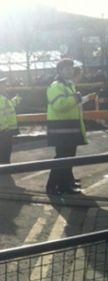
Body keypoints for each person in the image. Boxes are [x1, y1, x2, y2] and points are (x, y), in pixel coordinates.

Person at [46, 58, 96, 195]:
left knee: (68, 156)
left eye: (71, 68)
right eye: (67, 69)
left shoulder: (68, 85)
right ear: (60, 71)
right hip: (61, 129)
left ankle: (64, 183)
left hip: (68, 128)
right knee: (63, 157)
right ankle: (58, 186)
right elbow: (60, 105)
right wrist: (77, 98)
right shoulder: (56, 86)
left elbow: (73, 103)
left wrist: (80, 98)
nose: (70, 71)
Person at [0, 77, 21, 165]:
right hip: (3, 129)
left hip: (4, 128)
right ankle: (1, 166)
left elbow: (8, 107)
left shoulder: (0, 97)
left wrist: (15, 100)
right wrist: (5, 127)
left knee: (4, 148)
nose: (5, 87)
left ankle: (1, 165)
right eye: (3, 86)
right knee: (3, 148)